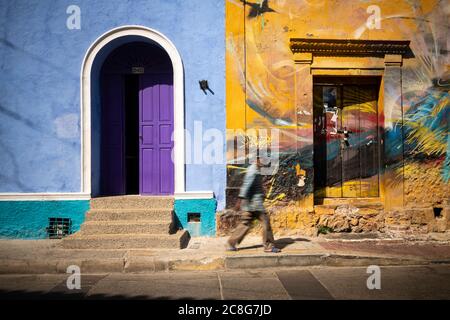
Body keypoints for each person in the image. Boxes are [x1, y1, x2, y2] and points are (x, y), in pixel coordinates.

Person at [227, 155, 281, 253]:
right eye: (262, 159)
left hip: (250, 204)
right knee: (266, 222)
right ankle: (268, 246)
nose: (264, 161)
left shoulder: (255, 169)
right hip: (254, 204)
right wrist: (239, 201)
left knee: (245, 223)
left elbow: (252, 186)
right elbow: (246, 185)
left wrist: (261, 193)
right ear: (257, 160)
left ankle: (231, 243)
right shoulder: (253, 171)